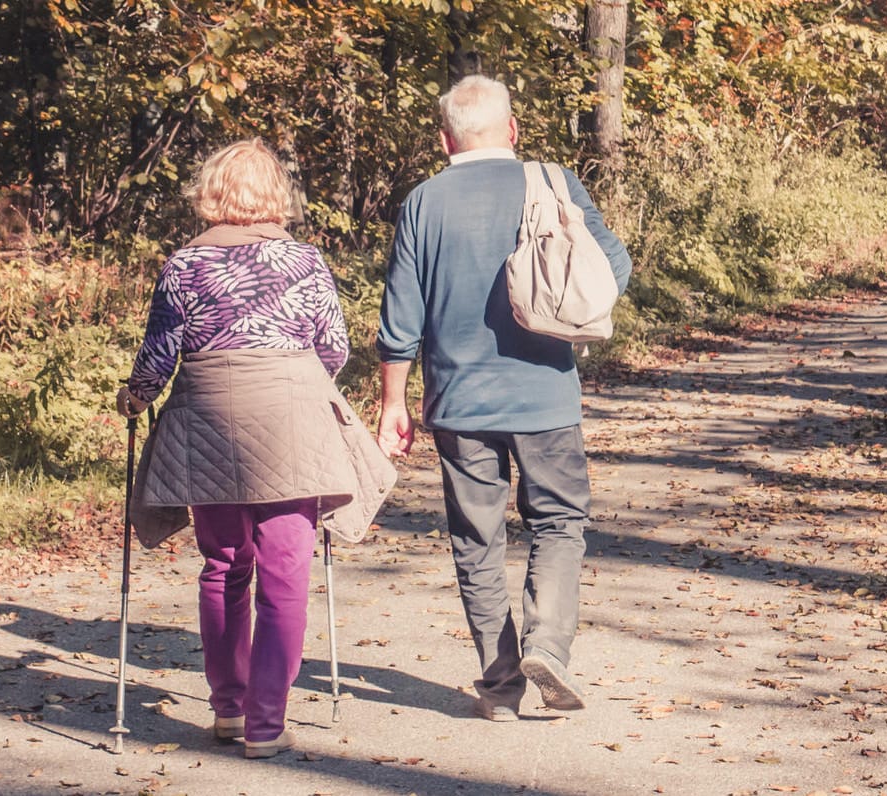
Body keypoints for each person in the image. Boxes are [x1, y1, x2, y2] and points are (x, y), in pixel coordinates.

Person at [116, 139, 394, 758]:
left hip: (208, 419)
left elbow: (161, 354)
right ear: (275, 194)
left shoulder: (183, 264)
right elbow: (335, 348)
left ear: (211, 192)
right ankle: (268, 723)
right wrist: (292, 377)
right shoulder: (305, 262)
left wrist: (134, 398)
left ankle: (228, 710)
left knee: (223, 566)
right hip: (292, 418)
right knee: (286, 574)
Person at [375, 75, 633, 722]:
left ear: (445, 139)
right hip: (545, 395)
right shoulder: (550, 182)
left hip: (459, 404)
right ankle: (547, 644)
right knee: (558, 522)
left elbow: (400, 319)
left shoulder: (424, 202)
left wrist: (393, 405)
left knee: (476, 540)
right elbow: (614, 267)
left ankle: (498, 688)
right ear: (512, 130)